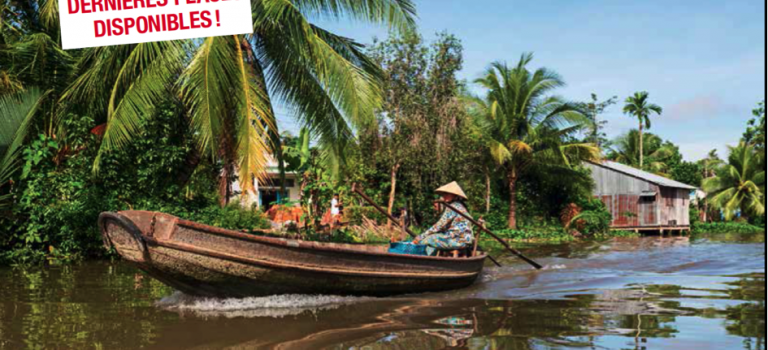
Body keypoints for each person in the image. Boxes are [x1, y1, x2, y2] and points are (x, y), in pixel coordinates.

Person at [413, 182, 474, 256]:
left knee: (427, 239)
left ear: (454, 195)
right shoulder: (459, 206)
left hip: (458, 240)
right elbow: (444, 226)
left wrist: (420, 237)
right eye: (443, 194)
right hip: (463, 240)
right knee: (433, 237)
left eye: (447, 194)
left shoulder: (453, 207)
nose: (444, 196)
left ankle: (422, 260)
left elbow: (439, 225)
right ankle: (430, 259)